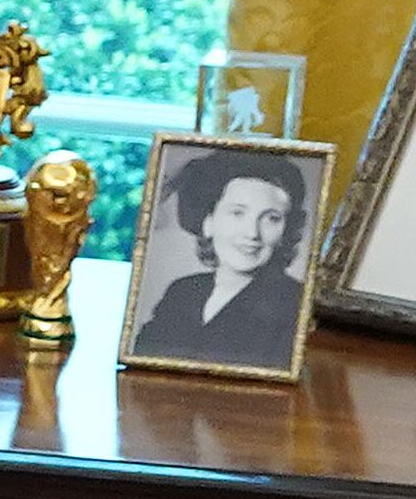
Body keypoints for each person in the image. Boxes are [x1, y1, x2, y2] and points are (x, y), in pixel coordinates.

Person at [128, 147, 309, 369]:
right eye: (237, 213)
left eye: (271, 218)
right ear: (208, 221)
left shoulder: (294, 303)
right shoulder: (183, 291)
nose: (252, 233)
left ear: (286, 231)